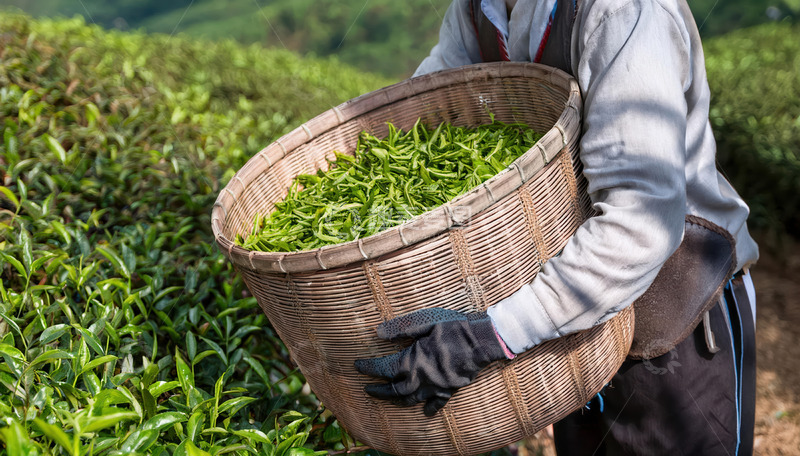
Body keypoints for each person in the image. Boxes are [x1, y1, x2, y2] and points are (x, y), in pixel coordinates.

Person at [354, 0, 759, 454]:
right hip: (570, 325)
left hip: (678, 314)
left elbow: (640, 224)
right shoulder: (479, 11)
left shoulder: (623, 13)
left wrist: (487, 336)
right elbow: (432, 105)